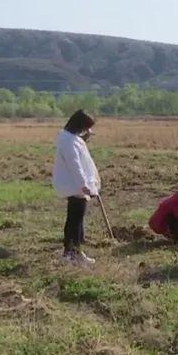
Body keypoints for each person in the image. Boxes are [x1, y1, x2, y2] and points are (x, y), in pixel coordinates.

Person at [52, 109, 100, 266]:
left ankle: (73, 252)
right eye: (86, 127)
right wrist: (84, 185)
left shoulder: (70, 138)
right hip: (75, 185)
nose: (87, 130)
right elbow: (75, 165)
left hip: (75, 185)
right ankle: (72, 252)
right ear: (80, 125)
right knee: (75, 221)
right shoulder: (69, 141)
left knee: (75, 219)